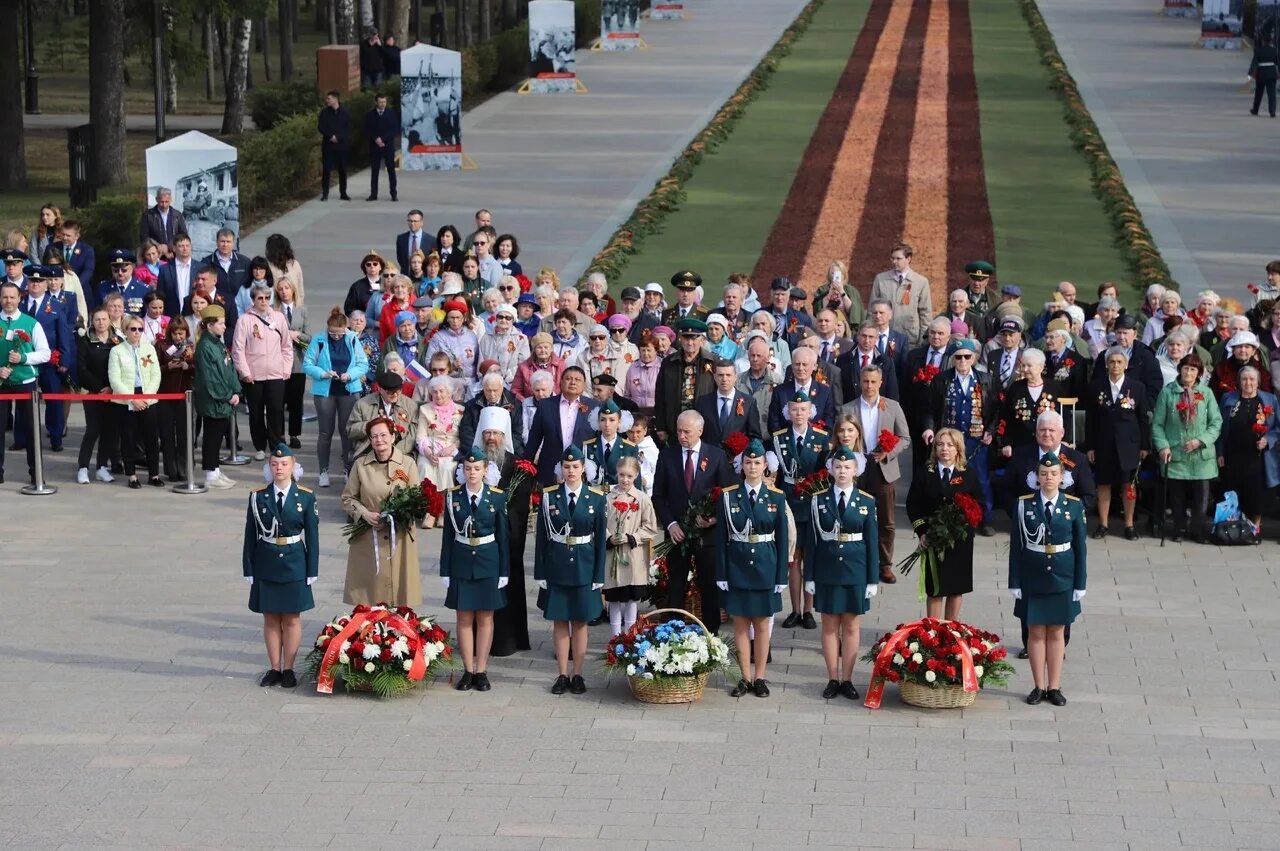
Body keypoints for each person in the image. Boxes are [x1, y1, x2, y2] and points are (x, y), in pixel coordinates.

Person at [1009, 453, 1087, 707]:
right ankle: (1038, 686)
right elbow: (1017, 545)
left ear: (1062, 477)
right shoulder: (1024, 505)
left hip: (1062, 574)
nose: (1049, 478)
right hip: (1033, 573)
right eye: (1044, 473)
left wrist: (1080, 583)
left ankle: (1054, 686)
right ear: (1036, 477)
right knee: (1034, 631)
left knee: (1056, 631)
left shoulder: (1073, 505)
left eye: (1054, 474)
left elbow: (1080, 547)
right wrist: (1015, 580)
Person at [803, 444, 877, 700]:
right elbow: (811, 541)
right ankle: (832, 677)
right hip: (827, 569)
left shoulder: (866, 501)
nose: (842, 471)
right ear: (831, 470)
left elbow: (872, 542)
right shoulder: (819, 499)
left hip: (855, 570)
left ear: (855, 470)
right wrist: (809, 576)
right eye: (838, 467)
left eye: (847, 467)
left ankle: (848, 678)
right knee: (830, 625)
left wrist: (872, 579)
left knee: (852, 626)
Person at [716, 439, 790, 698]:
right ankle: (743, 677)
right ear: (741, 465)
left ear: (765, 466)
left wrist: (782, 575)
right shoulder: (728, 496)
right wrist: (722, 573)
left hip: (765, 567)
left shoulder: (776, 497)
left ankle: (760, 676)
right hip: (737, 565)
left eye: (757, 463)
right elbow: (721, 538)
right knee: (739, 626)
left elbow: (782, 538)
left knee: (761, 625)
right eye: (748, 462)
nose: (752, 467)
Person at [652, 409, 735, 635]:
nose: (682, 436)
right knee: (676, 585)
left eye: (687, 431)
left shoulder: (716, 456)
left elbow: (727, 493)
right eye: (678, 431)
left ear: (700, 430)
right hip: (677, 533)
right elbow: (658, 496)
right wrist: (670, 524)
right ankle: (673, 631)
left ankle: (711, 633)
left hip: (707, 535)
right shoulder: (667, 455)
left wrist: (713, 518)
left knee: (708, 584)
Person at [243, 444, 319, 688]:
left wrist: (312, 570)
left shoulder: (305, 497)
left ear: (294, 466)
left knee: (292, 619)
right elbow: (250, 534)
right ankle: (274, 667)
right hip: (266, 560)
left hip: (295, 560)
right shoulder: (258, 496)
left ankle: (289, 668)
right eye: (274, 464)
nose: (279, 468)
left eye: (284, 464)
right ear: (269, 467)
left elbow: (313, 537)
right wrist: (249, 567)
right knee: (271, 618)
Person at [535, 444, 607, 695]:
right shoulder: (549, 496)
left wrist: (599, 575)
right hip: (557, 565)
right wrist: (540, 572)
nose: (571, 471)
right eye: (567, 467)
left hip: (584, 566)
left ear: (584, 469)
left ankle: (578, 673)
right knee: (559, 621)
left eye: (576, 466)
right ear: (561, 469)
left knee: (580, 622)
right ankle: (562, 674)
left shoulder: (596, 498)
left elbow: (599, 541)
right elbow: (542, 538)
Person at [440, 446, 509, 692]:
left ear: (485, 470)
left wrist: (504, 571)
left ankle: (482, 670)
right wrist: (445, 570)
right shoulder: (452, 496)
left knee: (486, 618)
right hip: (461, 561)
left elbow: (503, 537)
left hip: (488, 560)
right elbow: (448, 536)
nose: (472, 473)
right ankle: (468, 670)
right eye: (468, 469)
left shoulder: (497, 497)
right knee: (463, 617)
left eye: (477, 469)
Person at [342, 416, 421, 606]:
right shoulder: (360, 465)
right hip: (369, 534)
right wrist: (364, 513)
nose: (379, 440)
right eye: (374, 436)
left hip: (399, 535)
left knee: (399, 589)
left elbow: (417, 497)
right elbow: (348, 498)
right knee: (370, 592)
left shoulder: (407, 463)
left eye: (384, 435)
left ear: (393, 437)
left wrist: (399, 513)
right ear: (369, 440)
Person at [921, 340, 998, 534]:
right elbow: (929, 408)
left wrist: (991, 430)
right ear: (952, 358)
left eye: (967, 356)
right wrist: (929, 428)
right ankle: (945, 516)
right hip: (950, 439)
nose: (962, 360)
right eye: (958, 356)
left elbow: (996, 409)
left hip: (976, 439)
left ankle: (984, 519)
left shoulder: (986, 379)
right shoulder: (941, 380)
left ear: (974, 358)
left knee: (980, 479)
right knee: (948, 478)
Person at [844, 365, 912, 583]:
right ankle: (859, 561)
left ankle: (884, 564)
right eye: (865, 381)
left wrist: (888, 452)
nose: (869, 386)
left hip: (883, 468)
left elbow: (905, 438)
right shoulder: (848, 408)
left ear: (881, 383)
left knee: (886, 519)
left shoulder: (892, 406)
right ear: (859, 382)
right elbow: (841, 436)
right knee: (856, 516)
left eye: (873, 382)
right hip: (857, 467)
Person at [906, 428, 981, 620]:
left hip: (960, 540)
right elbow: (913, 504)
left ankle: (951, 629)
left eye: (950, 445)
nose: (944, 449)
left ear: (958, 449)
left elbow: (979, 505)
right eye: (940, 444)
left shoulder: (968, 474)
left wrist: (964, 524)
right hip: (933, 539)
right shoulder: (925, 472)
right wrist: (922, 531)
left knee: (956, 588)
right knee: (935, 588)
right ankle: (933, 630)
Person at [769, 390, 830, 628]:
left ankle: (808, 610)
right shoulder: (778, 438)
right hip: (790, 501)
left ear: (810, 411)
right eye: (794, 409)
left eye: (803, 409)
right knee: (793, 558)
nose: (798, 414)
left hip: (812, 501)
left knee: (810, 557)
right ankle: (794, 609)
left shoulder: (822, 437)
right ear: (788, 412)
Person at [1152, 354, 1221, 543]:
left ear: (1198, 373)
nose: (1188, 372)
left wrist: (1201, 440)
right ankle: (1179, 528)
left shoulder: (1206, 393)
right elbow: (1157, 424)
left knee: (1201, 498)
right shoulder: (1167, 393)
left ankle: (1198, 531)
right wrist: (1163, 446)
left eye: (1193, 369)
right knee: (1177, 497)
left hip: (1201, 456)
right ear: (1180, 370)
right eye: (1185, 368)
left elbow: (1216, 422)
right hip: (1176, 453)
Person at [1085, 347, 1152, 540]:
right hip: (1103, 443)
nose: (1115, 365)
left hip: (1129, 444)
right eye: (1112, 362)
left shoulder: (1137, 387)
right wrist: (1090, 446)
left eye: (1119, 362)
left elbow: (1143, 419)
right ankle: (1103, 524)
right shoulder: (1096, 386)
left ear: (1126, 364)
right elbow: (1091, 419)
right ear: (1106, 364)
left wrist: (1144, 446)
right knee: (1103, 484)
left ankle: (1129, 524)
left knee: (1128, 485)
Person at [303, 307, 368, 487]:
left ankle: (348, 469)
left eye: (339, 334)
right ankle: (323, 471)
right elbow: (307, 364)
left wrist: (350, 374)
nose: (336, 337)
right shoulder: (319, 339)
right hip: (326, 391)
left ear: (346, 329)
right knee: (325, 432)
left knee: (347, 432)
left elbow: (363, 364)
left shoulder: (353, 339)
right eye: (332, 333)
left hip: (348, 390)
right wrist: (323, 373)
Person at [232, 283, 292, 460]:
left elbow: (287, 346)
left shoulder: (279, 318)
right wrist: (244, 372)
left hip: (276, 373)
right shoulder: (244, 320)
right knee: (256, 412)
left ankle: (276, 445)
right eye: (260, 298)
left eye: (267, 298)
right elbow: (238, 349)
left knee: (276, 410)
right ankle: (259, 446)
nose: (264, 301)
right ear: (253, 300)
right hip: (254, 375)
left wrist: (286, 368)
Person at [603, 455, 659, 635]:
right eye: (621, 475)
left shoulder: (642, 499)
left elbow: (650, 527)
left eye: (629, 476)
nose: (625, 479)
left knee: (631, 599)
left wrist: (632, 537)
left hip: (633, 556)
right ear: (616, 474)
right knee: (614, 599)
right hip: (613, 556)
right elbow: (600, 523)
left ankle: (629, 636)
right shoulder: (607, 498)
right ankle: (615, 637)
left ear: (635, 476)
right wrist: (609, 538)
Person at [108, 315, 163, 488]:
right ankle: (131, 475)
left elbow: (156, 374)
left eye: (140, 329)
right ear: (125, 331)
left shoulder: (149, 349)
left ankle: (154, 474)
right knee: (128, 438)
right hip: (126, 399)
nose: (137, 332)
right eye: (133, 329)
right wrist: (132, 399)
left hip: (147, 397)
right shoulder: (117, 351)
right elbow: (115, 379)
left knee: (151, 438)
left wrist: (146, 397)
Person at [523, 365, 599, 484]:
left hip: (582, 471)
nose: (573, 382)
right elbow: (534, 439)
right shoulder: (545, 405)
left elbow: (598, 440)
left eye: (577, 380)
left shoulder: (594, 407)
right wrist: (525, 467)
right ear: (560, 382)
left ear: (584, 385)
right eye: (568, 379)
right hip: (550, 470)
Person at [193, 305, 241, 489]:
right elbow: (210, 379)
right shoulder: (205, 347)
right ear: (210, 325)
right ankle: (210, 474)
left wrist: (236, 391)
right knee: (212, 438)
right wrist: (228, 395)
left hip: (224, 400)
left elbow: (229, 369)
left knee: (217, 436)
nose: (224, 326)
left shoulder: (217, 342)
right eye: (220, 323)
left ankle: (216, 470)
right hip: (214, 401)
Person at [75, 307, 122, 484]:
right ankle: (83, 467)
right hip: (92, 391)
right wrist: (99, 388)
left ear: (109, 320)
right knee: (93, 429)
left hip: (113, 391)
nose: (101, 323)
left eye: (104, 319)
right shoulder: (85, 340)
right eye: (97, 320)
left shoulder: (118, 339)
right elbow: (82, 368)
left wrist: (111, 387)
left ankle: (102, 467)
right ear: (92, 322)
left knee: (109, 430)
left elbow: (121, 365)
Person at [416, 375, 463, 526]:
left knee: (447, 466)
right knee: (425, 466)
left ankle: (443, 510)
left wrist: (452, 447)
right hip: (430, 448)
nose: (438, 395)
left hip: (451, 448)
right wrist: (429, 453)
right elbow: (421, 436)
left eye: (442, 391)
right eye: (435, 392)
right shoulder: (425, 410)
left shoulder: (460, 410)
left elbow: (464, 436)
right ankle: (430, 511)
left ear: (449, 392)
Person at [869, 242, 932, 344]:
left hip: (909, 339)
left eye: (898, 259)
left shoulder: (921, 282)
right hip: (883, 338)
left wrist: (922, 342)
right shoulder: (880, 279)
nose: (894, 261)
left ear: (908, 259)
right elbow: (872, 310)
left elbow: (925, 315)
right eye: (892, 258)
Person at [156, 319, 195, 482]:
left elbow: (197, 366)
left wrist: (189, 367)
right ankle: (171, 470)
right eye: (175, 333)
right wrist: (167, 368)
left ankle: (185, 469)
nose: (178, 336)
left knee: (185, 433)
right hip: (165, 393)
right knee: (167, 434)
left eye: (181, 333)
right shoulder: (161, 345)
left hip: (185, 394)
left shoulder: (191, 346)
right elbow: (154, 367)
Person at [347, 370, 419, 457]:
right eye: (391, 393)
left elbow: (413, 435)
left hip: (401, 452)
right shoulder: (362, 404)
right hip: (370, 450)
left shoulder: (410, 405)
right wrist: (371, 425)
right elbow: (350, 431)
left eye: (398, 391)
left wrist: (394, 452)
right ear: (380, 389)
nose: (395, 395)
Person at [697, 358, 764, 446]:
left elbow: (754, 437)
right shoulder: (703, 402)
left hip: (737, 458)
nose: (724, 379)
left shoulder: (749, 402)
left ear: (736, 377)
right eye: (720, 375)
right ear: (714, 377)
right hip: (710, 456)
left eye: (728, 375)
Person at [317, 91, 353, 201]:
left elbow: (348, 128)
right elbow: (321, 127)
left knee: (342, 169)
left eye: (329, 99)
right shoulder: (324, 113)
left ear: (336, 99)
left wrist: (338, 137)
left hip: (342, 145)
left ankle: (343, 193)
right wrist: (330, 136)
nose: (327, 101)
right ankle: (325, 193)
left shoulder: (345, 113)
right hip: (328, 145)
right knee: (326, 169)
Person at [365, 94, 399, 202]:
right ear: (376, 102)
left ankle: (393, 193)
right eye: (380, 102)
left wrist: (383, 139)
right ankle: (373, 194)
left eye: (384, 102)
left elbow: (394, 129)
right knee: (374, 171)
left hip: (387, 146)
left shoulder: (392, 113)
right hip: (375, 146)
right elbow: (367, 129)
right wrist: (376, 139)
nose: (382, 104)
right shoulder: (370, 115)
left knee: (391, 170)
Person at [1250, 31, 1278, 118]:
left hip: (1261, 73)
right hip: (1271, 73)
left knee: (1259, 93)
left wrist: (1250, 74)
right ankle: (1272, 111)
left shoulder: (1258, 50)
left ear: (1263, 41)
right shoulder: (1274, 50)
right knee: (1272, 94)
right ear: (1271, 41)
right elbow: (1277, 62)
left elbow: (1254, 63)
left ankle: (1255, 110)